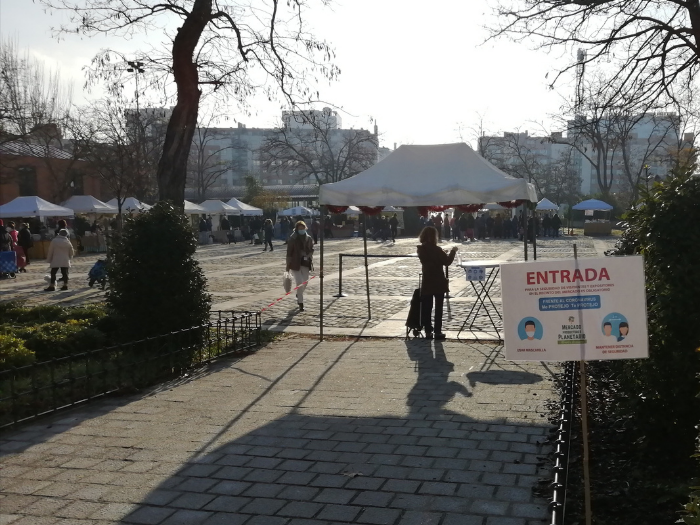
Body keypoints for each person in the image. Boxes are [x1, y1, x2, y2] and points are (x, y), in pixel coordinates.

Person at [417, 226, 458, 340]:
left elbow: (430, 259)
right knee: (438, 308)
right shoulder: (437, 250)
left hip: (427, 280)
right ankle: (438, 331)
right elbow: (447, 262)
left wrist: (441, 253)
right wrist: (453, 251)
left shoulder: (421, 249)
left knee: (427, 307)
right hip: (438, 281)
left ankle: (428, 331)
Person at [286, 221, 314, 312]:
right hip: (295, 263)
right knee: (299, 282)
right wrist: (287, 265)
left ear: (305, 228)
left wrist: (308, 255)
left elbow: (311, 249)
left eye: (303, 228)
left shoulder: (308, 238)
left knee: (305, 282)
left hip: (305, 263)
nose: (301, 230)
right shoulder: (292, 238)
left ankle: (299, 294)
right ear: (296, 229)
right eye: (299, 228)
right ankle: (300, 302)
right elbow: (289, 252)